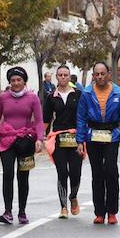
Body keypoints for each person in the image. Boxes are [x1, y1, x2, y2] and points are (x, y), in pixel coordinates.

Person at [76, 62, 120, 225]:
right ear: (93, 76)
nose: (100, 77)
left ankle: (112, 212)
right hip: (92, 136)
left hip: (112, 136)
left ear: (108, 74)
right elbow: (80, 118)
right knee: (97, 173)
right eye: (97, 74)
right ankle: (99, 212)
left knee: (111, 172)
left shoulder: (118, 93)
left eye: (102, 73)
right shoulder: (86, 93)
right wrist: (80, 140)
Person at [0, 67, 44, 225]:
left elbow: (39, 121)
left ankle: (22, 212)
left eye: (19, 80)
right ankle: (7, 212)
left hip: (26, 141)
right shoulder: (3, 98)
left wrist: (40, 139)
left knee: (23, 177)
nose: (16, 83)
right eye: (13, 80)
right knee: (7, 174)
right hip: (6, 140)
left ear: (24, 81)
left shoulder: (33, 98)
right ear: (9, 82)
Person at [43, 64, 83, 219]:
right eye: (60, 75)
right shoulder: (51, 97)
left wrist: (84, 135)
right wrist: (40, 137)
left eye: (66, 75)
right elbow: (46, 120)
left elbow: (83, 116)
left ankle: (73, 197)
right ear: (56, 77)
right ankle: (63, 207)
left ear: (70, 76)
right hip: (58, 138)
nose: (63, 77)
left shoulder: (78, 95)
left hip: (76, 137)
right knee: (62, 172)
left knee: (75, 172)